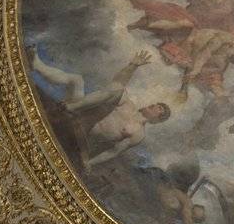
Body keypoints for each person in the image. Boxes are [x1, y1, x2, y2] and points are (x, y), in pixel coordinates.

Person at [28, 49, 171, 166]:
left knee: (112, 91)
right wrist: (133, 66)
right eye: (156, 104)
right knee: (78, 80)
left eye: (159, 109)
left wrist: (89, 163)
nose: (154, 105)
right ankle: (37, 66)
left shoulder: (138, 133)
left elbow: (113, 152)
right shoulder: (128, 104)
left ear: (157, 120)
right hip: (76, 114)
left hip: (82, 136)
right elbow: (118, 82)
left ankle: (71, 107)